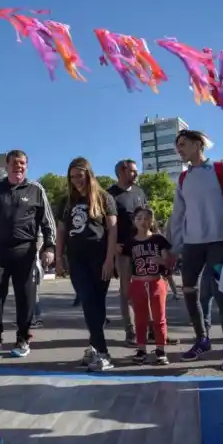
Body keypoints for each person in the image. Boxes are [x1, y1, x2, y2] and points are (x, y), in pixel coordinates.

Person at [169, 129, 223, 371]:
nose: (179, 149)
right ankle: (202, 339)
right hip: (192, 245)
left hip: (220, 241)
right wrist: (175, 246)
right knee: (188, 290)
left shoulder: (221, 169)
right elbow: (177, 215)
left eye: (183, 144)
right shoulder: (183, 178)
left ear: (198, 145)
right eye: (177, 146)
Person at [0, 150, 56, 358]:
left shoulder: (36, 189)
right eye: (14, 163)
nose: (18, 167)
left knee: (26, 297)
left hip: (25, 251)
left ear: (26, 166)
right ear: (7, 166)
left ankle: (23, 339)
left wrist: (49, 247)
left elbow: (48, 221)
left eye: (22, 163)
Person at [55, 157, 117, 371]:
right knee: (88, 300)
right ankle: (103, 352)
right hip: (76, 258)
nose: (76, 181)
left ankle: (94, 347)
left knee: (97, 304)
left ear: (89, 175)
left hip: (99, 257)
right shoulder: (66, 201)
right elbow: (61, 231)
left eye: (79, 176)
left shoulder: (104, 198)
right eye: (72, 177)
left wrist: (109, 259)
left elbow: (113, 231)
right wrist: (58, 257)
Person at [107, 160, 148, 347]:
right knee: (127, 291)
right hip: (123, 250)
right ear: (120, 173)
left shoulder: (139, 192)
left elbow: (148, 218)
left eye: (136, 171)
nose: (136, 174)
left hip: (143, 247)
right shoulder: (110, 195)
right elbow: (105, 223)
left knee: (147, 289)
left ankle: (150, 330)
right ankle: (131, 332)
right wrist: (113, 244)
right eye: (132, 171)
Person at [128, 208, 173, 365]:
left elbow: (168, 261)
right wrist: (126, 287)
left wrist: (161, 260)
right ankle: (141, 349)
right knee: (140, 319)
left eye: (147, 218)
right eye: (139, 218)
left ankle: (160, 350)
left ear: (152, 221)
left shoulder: (158, 239)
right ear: (134, 221)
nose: (143, 221)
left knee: (159, 318)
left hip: (156, 282)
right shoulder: (131, 242)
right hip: (137, 282)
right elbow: (125, 266)